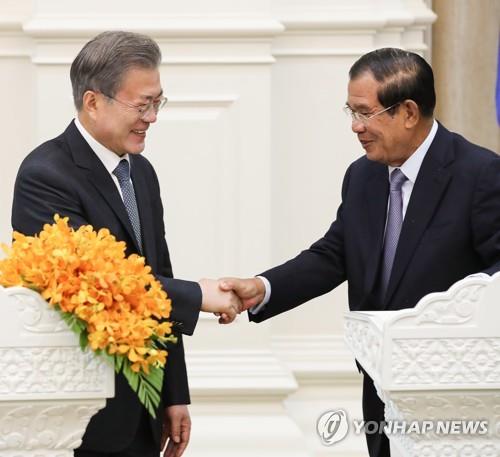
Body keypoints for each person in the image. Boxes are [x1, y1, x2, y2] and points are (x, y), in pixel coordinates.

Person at [219, 48, 500, 457]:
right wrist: (263, 288)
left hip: (455, 391)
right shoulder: (363, 175)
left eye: (365, 113)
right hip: (380, 384)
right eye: (351, 112)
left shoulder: (479, 174)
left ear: (408, 112)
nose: (355, 126)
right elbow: (334, 254)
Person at [11, 31, 241, 457]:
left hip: (144, 411)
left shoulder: (141, 172)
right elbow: (91, 282)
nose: (151, 117)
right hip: (79, 415)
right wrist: (199, 296)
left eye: (158, 103)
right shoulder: (45, 175)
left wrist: (174, 393)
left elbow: (159, 275)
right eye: (142, 105)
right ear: (93, 102)